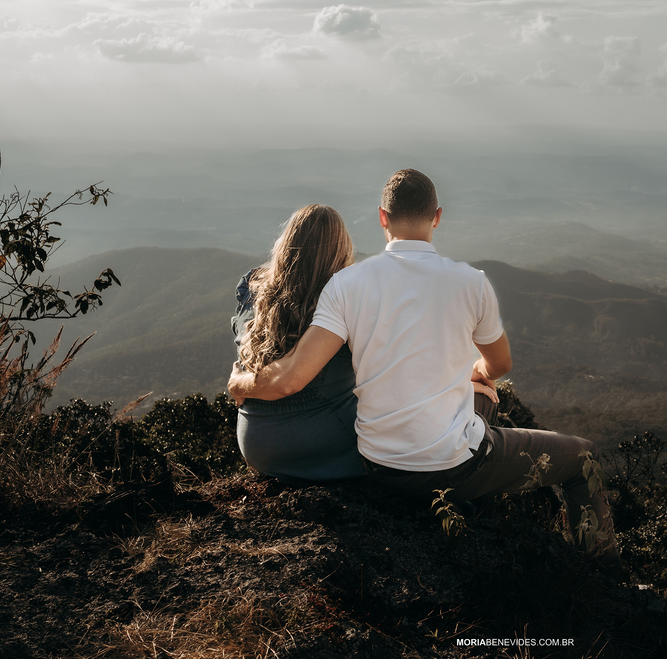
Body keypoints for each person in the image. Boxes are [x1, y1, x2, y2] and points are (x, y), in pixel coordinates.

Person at [228, 170, 620, 570]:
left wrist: (239, 383)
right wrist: (476, 372)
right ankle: (604, 577)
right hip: (444, 464)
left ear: (383, 218)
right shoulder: (472, 282)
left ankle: (468, 517)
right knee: (580, 456)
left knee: (476, 396)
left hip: (376, 463)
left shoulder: (345, 285)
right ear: (437, 216)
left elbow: (295, 372)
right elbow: (500, 365)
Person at [231, 204, 364, 483]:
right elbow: (288, 381)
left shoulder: (254, 292)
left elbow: (242, 346)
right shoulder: (344, 304)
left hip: (256, 442)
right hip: (322, 441)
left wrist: (239, 382)